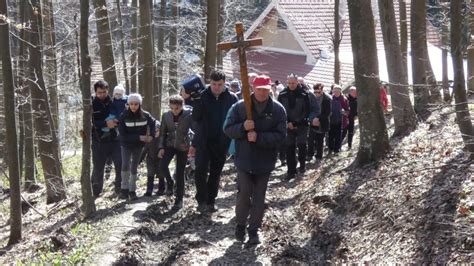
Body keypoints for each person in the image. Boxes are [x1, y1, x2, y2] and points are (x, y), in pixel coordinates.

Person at [224, 75, 287, 245]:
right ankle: (240, 224)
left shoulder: (278, 110)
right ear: (253, 88)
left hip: (265, 161)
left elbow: (281, 136)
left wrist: (259, 137)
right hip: (244, 159)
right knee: (244, 193)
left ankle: (254, 230)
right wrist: (242, 128)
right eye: (259, 89)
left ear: (270, 89)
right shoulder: (239, 107)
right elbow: (228, 129)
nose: (262, 92)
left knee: (259, 196)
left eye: (265, 89)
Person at [190, 70, 239, 213]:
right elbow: (195, 118)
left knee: (215, 173)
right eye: (213, 84)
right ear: (209, 83)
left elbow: (235, 119)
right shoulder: (202, 96)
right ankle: (201, 200)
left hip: (222, 141)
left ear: (225, 84)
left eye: (220, 84)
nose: (216, 87)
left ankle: (211, 200)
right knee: (200, 171)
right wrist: (197, 101)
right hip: (203, 141)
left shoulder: (232, 98)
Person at [277, 74, 319, 180]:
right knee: (289, 147)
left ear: (297, 83)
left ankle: (302, 166)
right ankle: (291, 171)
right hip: (288, 125)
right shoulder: (282, 94)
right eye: (289, 83)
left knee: (301, 146)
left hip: (302, 125)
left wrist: (302, 121)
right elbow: (279, 111)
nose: (291, 85)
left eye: (293, 83)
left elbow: (311, 110)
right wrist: (287, 122)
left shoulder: (306, 94)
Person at [158, 95, 194, 210]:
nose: (174, 111)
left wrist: (193, 145)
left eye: (177, 108)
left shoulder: (189, 115)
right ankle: (169, 182)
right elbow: (162, 133)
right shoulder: (166, 116)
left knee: (180, 173)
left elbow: (194, 129)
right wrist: (161, 147)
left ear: (182, 106)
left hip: (183, 146)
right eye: (172, 108)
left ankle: (179, 200)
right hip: (170, 145)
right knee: (163, 166)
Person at [118, 93, 156, 200]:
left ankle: (132, 190)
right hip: (126, 144)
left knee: (134, 165)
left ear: (139, 104)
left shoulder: (145, 115)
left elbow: (153, 123)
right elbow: (123, 135)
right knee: (125, 164)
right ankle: (124, 189)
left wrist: (152, 135)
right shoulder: (123, 116)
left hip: (138, 146)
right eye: (131, 104)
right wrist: (139, 137)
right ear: (128, 104)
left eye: (136, 104)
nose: (133, 106)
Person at [91, 80, 122, 198]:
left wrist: (116, 122)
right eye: (99, 93)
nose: (102, 95)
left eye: (104, 92)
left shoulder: (114, 101)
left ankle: (119, 190)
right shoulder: (92, 103)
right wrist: (105, 123)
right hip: (98, 141)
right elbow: (90, 122)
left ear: (107, 91)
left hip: (114, 139)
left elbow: (121, 115)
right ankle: (95, 193)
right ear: (95, 92)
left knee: (120, 164)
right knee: (98, 167)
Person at [307, 83, 332, 161]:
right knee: (310, 139)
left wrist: (318, 118)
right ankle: (310, 154)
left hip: (322, 122)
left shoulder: (327, 98)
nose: (316, 94)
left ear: (322, 90)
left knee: (320, 140)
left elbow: (328, 112)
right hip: (312, 121)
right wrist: (312, 119)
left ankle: (319, 156)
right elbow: (308, 109)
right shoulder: (310, 97)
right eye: (315, 92)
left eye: (318, 92)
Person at [140, 120, 162, 197]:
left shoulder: (162, 139)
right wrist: (139, 161)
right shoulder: (149, 139)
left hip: (160, 159)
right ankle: (149, 191)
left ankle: (161, 189)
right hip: (150, 160)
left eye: (157, 130)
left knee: (161, 174)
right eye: (154, 130)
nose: (156, 132)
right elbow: (144, 150)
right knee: (150, 174)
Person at [328, 85, 349, 154]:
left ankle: (337, 149)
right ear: (332, 91)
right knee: (330, 135)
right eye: (334, 91)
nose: (336, 93)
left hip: (340, 120)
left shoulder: (344, 99)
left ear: (340, 91)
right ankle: (330, 148)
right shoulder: (330, 98)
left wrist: (344, 112)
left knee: (338, 135)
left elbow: (348, 111)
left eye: (337, 91)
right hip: (331, 120)